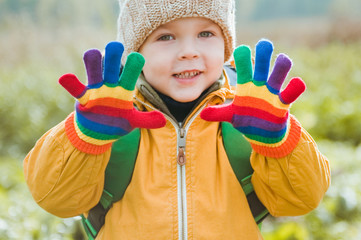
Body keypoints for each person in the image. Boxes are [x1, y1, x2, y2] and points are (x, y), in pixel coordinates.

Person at [23, 0, 330, 239]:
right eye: (166, 36)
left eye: (206, 34)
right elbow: (57, 199)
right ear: (135, 51)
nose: (189, 51)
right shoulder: (107, 119)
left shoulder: (250, 117)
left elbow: (301, 200)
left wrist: (279, 140)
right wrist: (84, 137)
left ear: (225, 45)